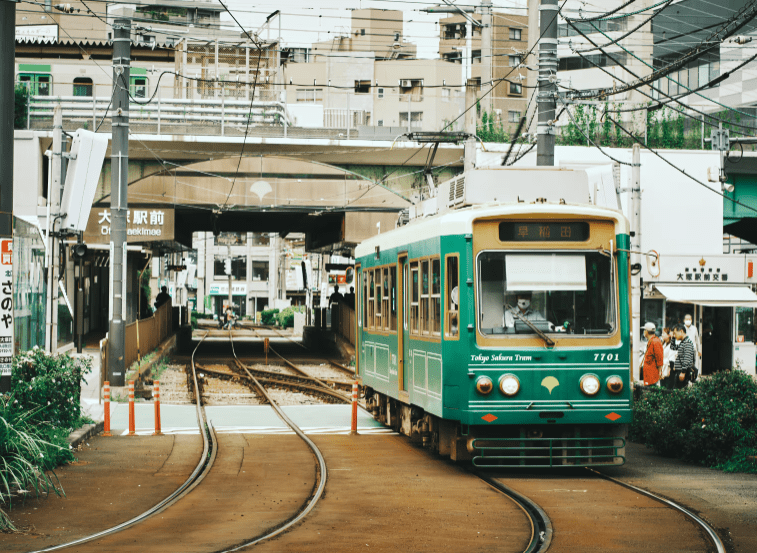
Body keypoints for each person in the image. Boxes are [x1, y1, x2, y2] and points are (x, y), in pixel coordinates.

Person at [672, 323, 696, 389]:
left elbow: (687, 358)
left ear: (681, 331)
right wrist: (673, 338)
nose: (674, 335)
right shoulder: (683, 342)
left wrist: (683, 372)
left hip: (683, 372)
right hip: (679, 371)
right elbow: (673, 347)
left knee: (679, 393)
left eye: (675, 333)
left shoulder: (687, 342)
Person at [641, 322, 663, 386]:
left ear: (646, 331)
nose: (644, 332)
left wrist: (660, 372)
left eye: (644, 330)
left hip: (652, 375)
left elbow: (659, 358)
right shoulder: (652, 340)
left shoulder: (655, 341)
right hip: (649, 374)